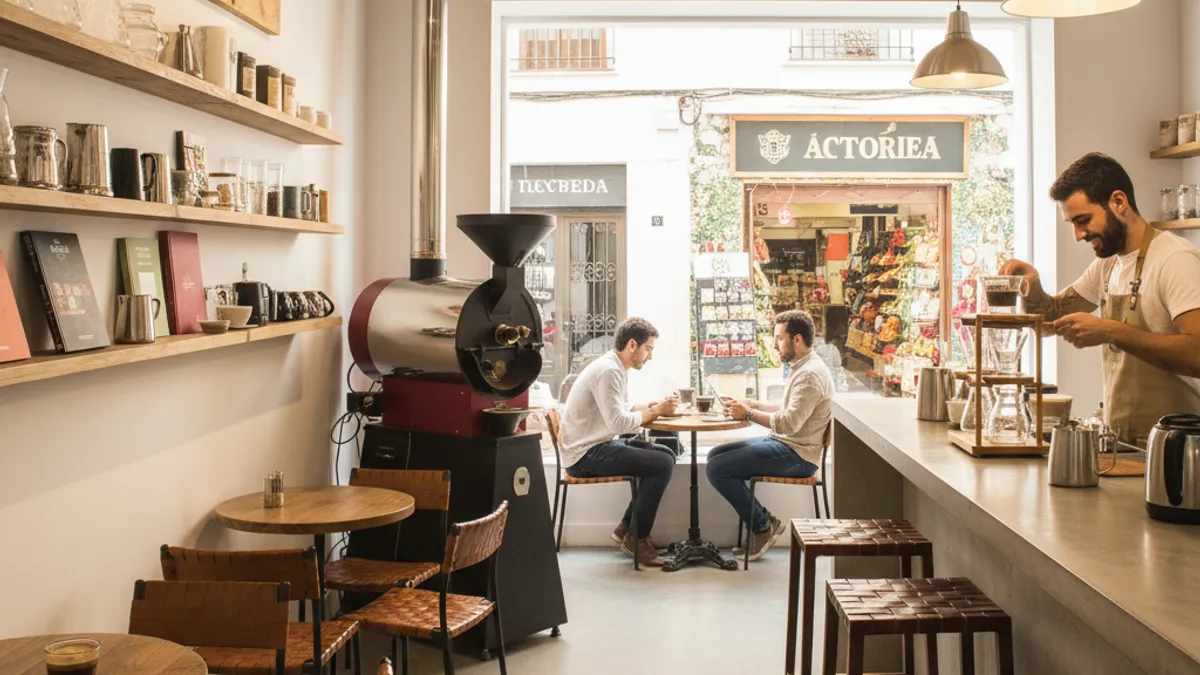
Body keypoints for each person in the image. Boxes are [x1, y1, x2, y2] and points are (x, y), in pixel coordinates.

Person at [1000, 152, 1200, 445]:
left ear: (1118, 202)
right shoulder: (1106, 265)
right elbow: (1049, 319)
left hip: (1178, 448)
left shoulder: (1175, 259)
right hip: (1123, 444)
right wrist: (1032, 284)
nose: (1078, 235)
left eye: (1083, 220)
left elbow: (1197, 353)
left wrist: (1110, 331)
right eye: (1072, 223)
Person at [705, 310, 834, 561]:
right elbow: (789, 409)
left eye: (779, 338)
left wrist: (749, 413)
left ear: (797, 340)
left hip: (799, 456)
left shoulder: (810, 375)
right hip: (787, 445)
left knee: (717, 468)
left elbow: (788, 423)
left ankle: (762, 527)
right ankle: (763, 522)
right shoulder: (804, 367)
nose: (774, 345)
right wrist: (755, 404)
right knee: (715, 455)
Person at [559, 317, 680, 567]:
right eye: (648, 349)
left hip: (595, 446)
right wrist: (656, 412)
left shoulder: (615, 367)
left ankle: (627, 529)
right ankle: (637, 539)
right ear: (632, 345)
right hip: (584, 456)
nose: (650, 356)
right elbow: (618, 424)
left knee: (666, 454)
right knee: (662, 464)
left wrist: (654, 406)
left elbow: (624, 409)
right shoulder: (609, 371)